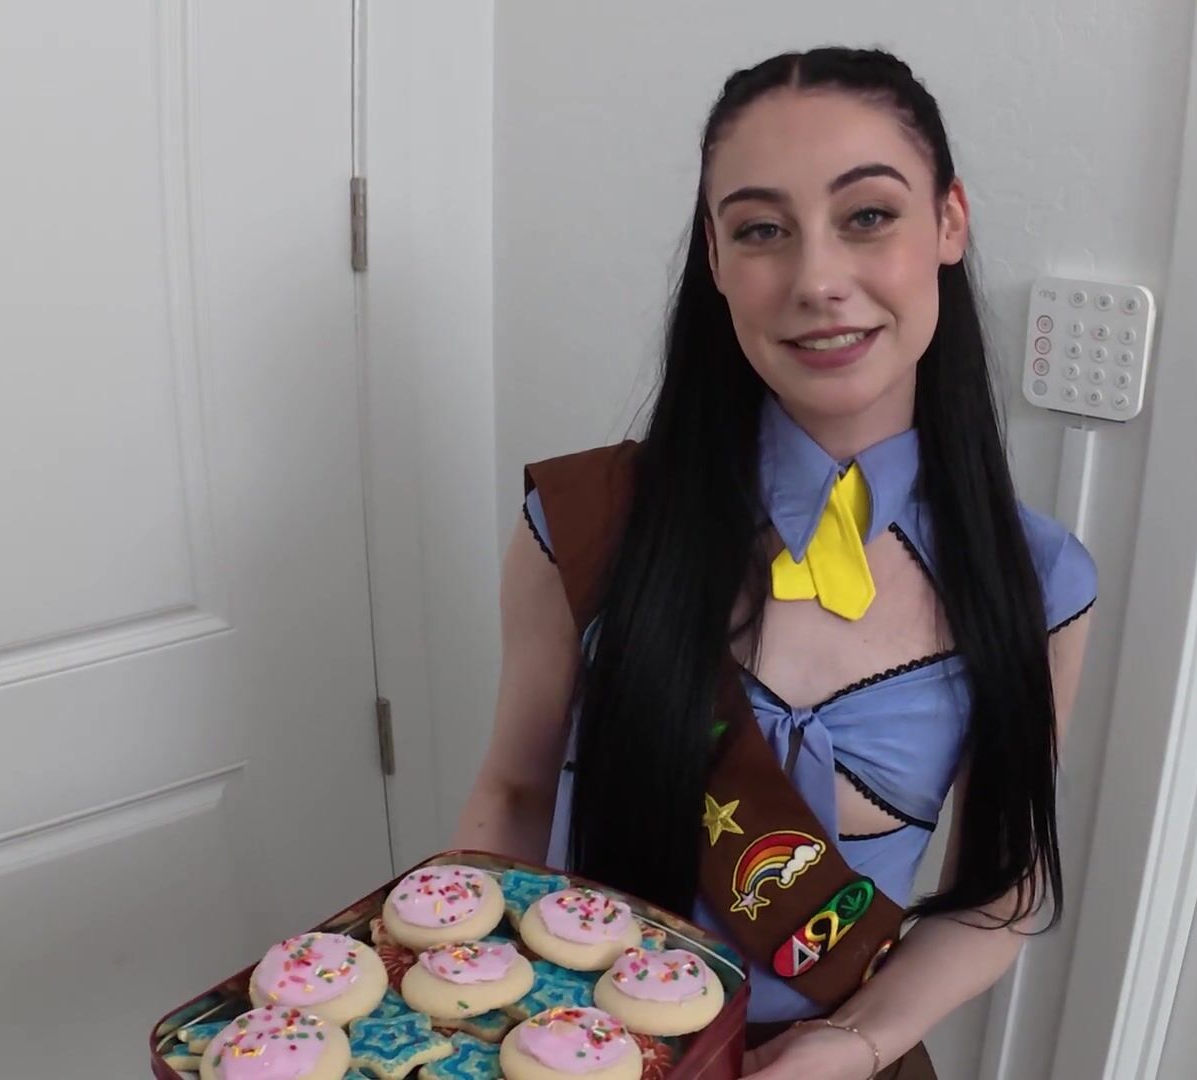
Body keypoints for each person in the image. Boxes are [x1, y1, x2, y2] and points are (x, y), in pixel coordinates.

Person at [454, 46, 1095, 1080]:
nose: (818, 282)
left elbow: (1001, 892)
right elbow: (514, 793)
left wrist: (850, 1045)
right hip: (575, 1050)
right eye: (762, 230)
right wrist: (469, 1013)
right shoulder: (584, 521)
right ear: (714, 257)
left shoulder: (1039, 582)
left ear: (949, 222)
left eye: (868, 215)